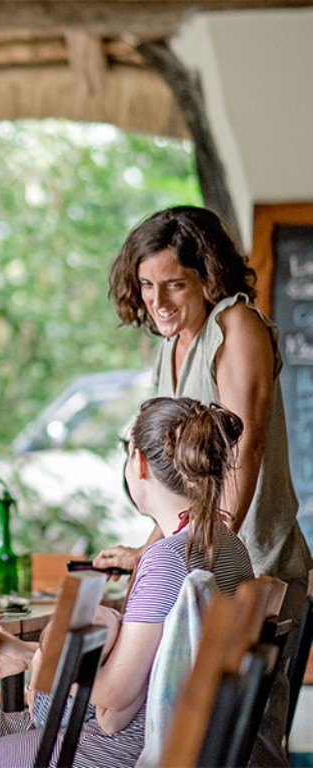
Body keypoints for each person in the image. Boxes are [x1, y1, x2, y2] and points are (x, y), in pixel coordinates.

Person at [0, 397, 255, 767]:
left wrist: (43, 664)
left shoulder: (166, 559)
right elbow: (142, 670)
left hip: (125, 749)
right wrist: (28, 654)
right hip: (183, 735)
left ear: (139, 464)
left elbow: (115, 693)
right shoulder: (230, 547)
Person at [98, 205, 313, 765]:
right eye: (146, 286)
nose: (159, 303)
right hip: (208, 564)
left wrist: (206, 556)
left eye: (175, 284)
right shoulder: (171, 347)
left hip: (253, 569)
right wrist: (147, 552)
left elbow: (245, 453)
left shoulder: (234, 326)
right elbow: (179, 483)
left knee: (243, 748)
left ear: (208, 277)